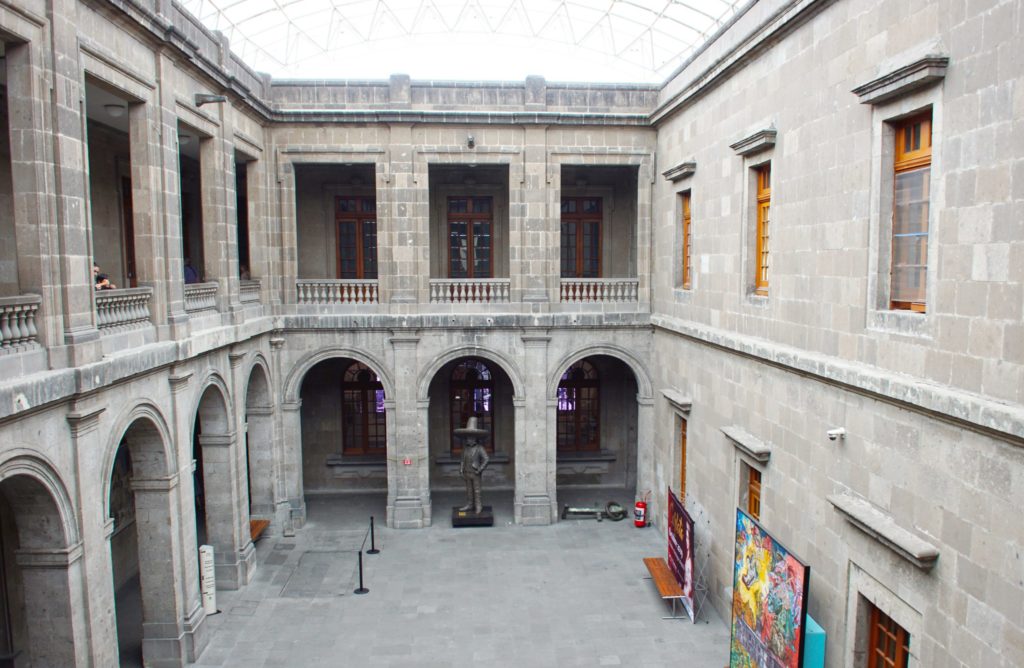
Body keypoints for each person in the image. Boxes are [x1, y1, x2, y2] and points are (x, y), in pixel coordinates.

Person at [456, 416, 490, 514]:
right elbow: (462, 459)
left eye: (470, 437)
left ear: (474, 438)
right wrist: (461, 469)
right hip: (467, 472)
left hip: (475, 473)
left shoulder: (479, 448)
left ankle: (478, 506)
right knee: (469, 491)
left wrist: (479, 469)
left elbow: (487, 459)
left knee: (477, 491)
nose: (468, 439)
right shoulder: (465, 448)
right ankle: (470, 505)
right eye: (467, 437)